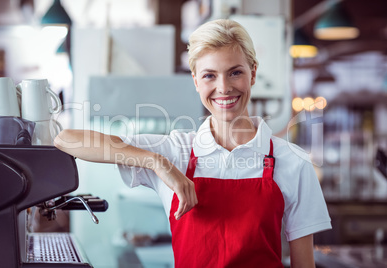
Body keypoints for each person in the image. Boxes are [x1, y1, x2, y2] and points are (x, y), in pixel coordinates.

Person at [54, 19, 331, 268]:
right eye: (210, 75)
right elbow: (66, 139)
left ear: (253, 73)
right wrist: (157, 162)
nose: (223, 87)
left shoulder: (293, 161)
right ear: (196, 81)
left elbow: (304, 264)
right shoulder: (175, 151)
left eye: (235, 72)